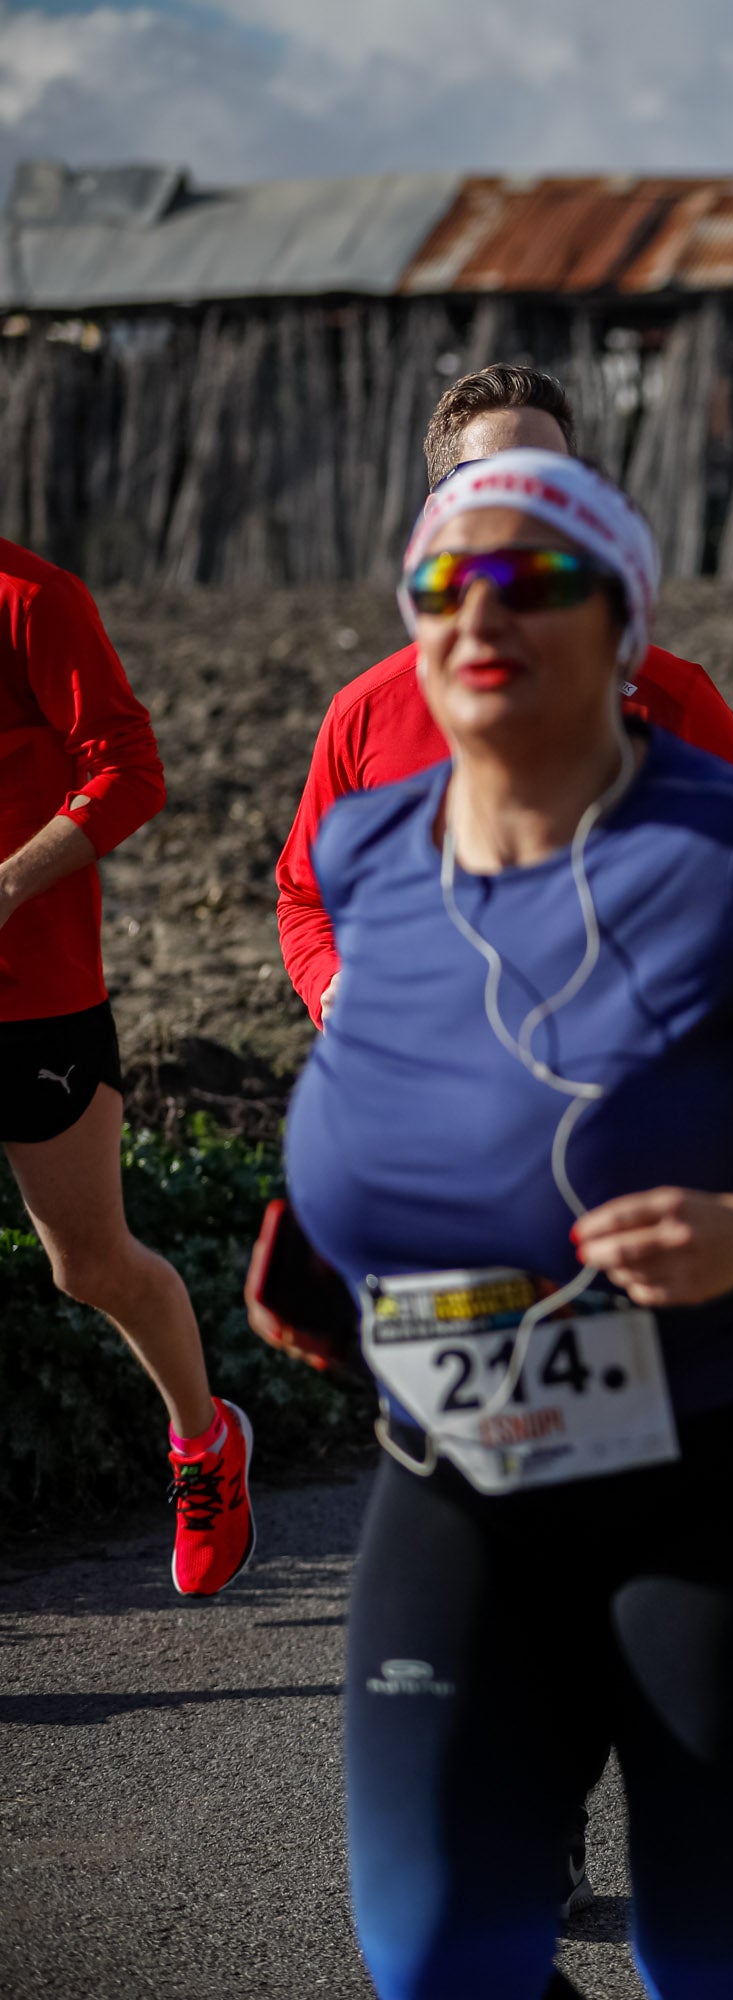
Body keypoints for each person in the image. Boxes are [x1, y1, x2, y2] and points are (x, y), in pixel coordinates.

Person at [290, 451, 733, 1997]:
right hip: (463, 1452)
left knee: (711, 1956)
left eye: (535, 578)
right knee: (429, 1953)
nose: (483, 613)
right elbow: (406, 1084)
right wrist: (324, 1236)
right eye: (443, 583)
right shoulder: (368, 849)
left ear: (625, 623)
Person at [276, 364, 733, 1024]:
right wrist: (331, 983)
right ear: (438, 510)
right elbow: (307, 897)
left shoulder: (671, 701)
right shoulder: (366, 714)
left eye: (547, 485)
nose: (520, 509)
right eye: (489, 485)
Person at [1, 535, 251, 1597]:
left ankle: (205, 1443)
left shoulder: (32, 598)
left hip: (36, 997)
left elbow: (130, 769)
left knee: (87, 1265)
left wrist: (6, 886)